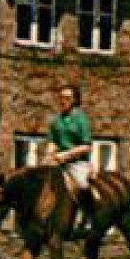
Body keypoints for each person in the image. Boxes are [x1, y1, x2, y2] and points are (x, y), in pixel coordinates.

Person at [47, 84, 94, 232]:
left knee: (81, 184)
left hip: (77, 162)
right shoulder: (56, 121)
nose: (63, 101)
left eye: (67, 98)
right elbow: (53, 141)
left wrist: (66, 155)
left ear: (74, 100)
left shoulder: (81, 119)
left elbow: (86, 145)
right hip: (58, 162)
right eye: (61, 98)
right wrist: (49, 156)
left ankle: (87, 217)